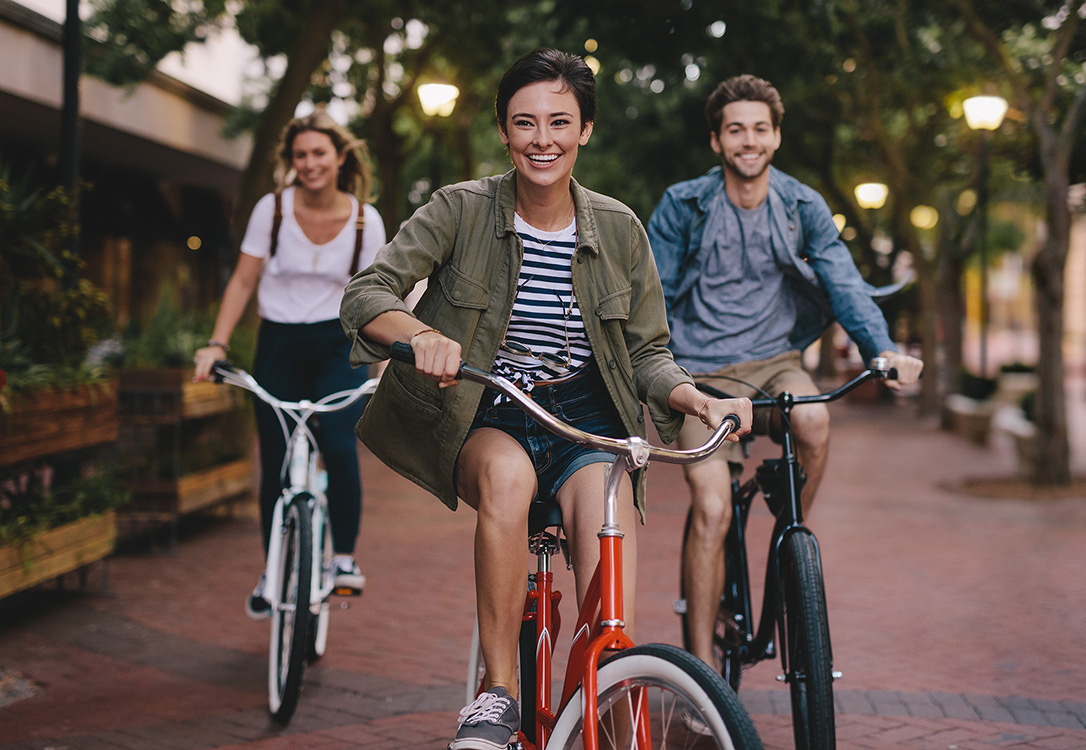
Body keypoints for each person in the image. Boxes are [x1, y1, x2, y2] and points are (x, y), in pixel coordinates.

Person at [339, 49, 752, 750]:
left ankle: (613, 697)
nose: (543, 139)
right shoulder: (460, 208)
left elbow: (649, 352)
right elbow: (365, 295)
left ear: (585, 129)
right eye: (525, 122)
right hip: (489, 408)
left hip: (587, 418)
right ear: (504, 130)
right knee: (508, 478)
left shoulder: (619, 228)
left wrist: (694, 397)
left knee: (604, 557)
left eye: (560, 122)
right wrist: (419, 335)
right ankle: (497, 693)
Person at [646, 74, 923, 674]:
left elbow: (844, 284)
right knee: (714, 509)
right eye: (735, 130)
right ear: (717, 141)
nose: (749, 140)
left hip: (776, 362)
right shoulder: (683, 205)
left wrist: (883, 349)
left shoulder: (801, 206)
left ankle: (786, 541)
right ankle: (700, 677)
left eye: (760, 129)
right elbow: (655, 297)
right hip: (700, 375)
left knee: (817, 421)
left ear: (777, 136)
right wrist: (658, 372)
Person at [193, 109, 386, 618]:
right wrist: (216, 342)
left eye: (319, 153)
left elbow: (384, 294)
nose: (309, 163)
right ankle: (273, 567)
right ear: (291, 160)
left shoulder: (365, 218)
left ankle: (342, 558)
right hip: (278, 343)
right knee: (276, 462)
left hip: (338, 343)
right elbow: (242, 281)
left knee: (340, 444)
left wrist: (389, 362)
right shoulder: (271, 210)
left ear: (340, 157)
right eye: (300, 155)